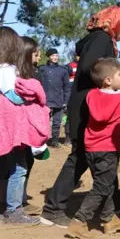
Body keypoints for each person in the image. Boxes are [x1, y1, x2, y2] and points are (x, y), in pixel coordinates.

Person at [41, 6, 120, 228]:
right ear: (112, 22)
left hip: (89, 104)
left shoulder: (96, 39)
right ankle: (53, 208)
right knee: (81, 157)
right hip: (90, 107)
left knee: (107, 154)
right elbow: (89, 67)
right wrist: (109, 82)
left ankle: (114, 200)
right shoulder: (101, 39)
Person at [67, 58, 120, 238]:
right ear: (108, 80)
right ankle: (79, 221)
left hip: (92, 147)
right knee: (102, 188)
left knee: (107, 184)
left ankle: (109, 219)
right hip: (109, 148)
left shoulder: (91, 95)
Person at [0, 27, 48, 225]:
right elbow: (14, 97)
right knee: (18, 169)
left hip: (9, 129)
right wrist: (32, 90)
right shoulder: (6, 70)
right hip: (13, 131)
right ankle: (14, 210)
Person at [20, 36, 47, 216]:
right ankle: (16, 201)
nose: (39, 58)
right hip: (22, 126)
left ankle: (19, 197)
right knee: (19, 164)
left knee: (26, 161)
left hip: (30, 126)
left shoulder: (34, 72)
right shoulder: (17, 76)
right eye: (36, 55)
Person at [39, 48, 70, 148]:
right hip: (45, 100)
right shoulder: (42, 69)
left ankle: (55, 141)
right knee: (43, 122)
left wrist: (66, 100)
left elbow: (66, 87)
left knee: (57, 123)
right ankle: (42, 141)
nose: (55, 57)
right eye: (53, 56)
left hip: (59, 100)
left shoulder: (63, 70)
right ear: (48, 57)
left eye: (56, 55)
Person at [64, 54, 80, 146]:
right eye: (78, 55)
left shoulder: (86, 65)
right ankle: (68, 137)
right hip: (71, 94)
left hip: (80, 93)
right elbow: (66, 82)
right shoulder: (70, 66)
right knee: (70, 116)